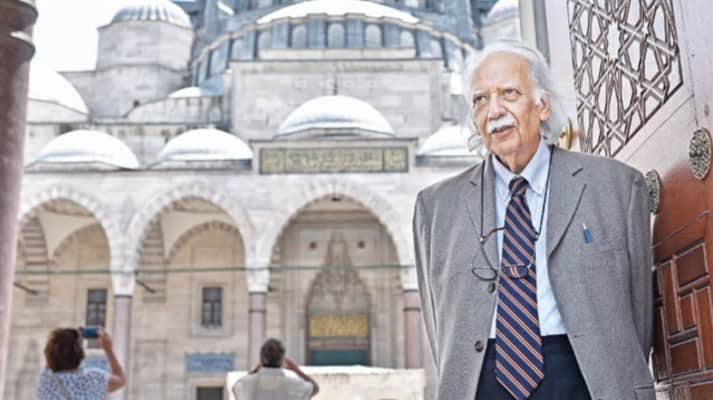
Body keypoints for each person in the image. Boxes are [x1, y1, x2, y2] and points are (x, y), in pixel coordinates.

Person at [412, 41, 654, 400]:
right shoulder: (436, 208)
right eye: (480, 100)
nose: (494, 110)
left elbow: (639, 310)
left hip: (587, 378)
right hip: (483, 382)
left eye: (509, 93)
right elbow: (438, 325)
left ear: (542, 105)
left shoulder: (616, 186)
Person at [36, 327, 126, 399]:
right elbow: (121, 379)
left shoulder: (46, 379)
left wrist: (66, 340)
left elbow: (50, 360)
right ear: (80, 354)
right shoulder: (95, 378)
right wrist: (108, 349)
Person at [232, 338, 319, 400]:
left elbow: (236, 388)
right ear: (282, 359)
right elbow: (314, 388)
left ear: (261, 359)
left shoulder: (248, 383)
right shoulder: (294, 384)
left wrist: (255, 370)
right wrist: (295, 369)